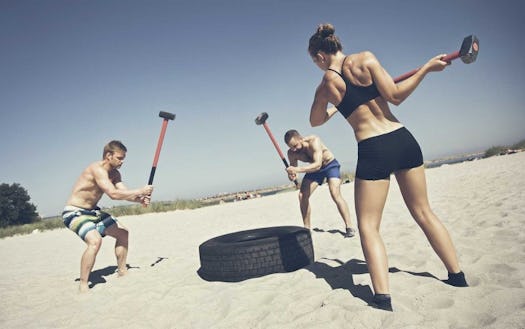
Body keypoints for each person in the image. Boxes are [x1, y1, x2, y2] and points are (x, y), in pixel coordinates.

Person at [307, 24, 468, 311]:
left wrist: (332, 105)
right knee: (423, 212)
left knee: (368, 226)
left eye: (314, 62)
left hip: (373, 148)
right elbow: (394, 96)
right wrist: (426, 69)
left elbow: (315, 122)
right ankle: (457, 277)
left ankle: (383, 299)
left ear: (320, 56)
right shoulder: (366, 58)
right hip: (402, 139)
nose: (316, 67)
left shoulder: (325, 86)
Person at [62, 140, 153, 292]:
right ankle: (83, 284)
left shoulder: (115, 173)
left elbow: (124, 193)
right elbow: (113, 194)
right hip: (74, 212)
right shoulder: (96, 169)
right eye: (119, 158)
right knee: (95, 241)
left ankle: (122, 271)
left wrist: (140, 200)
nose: (122, 162)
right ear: (108, 155)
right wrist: (140, 191)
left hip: (92, 211)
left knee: (123, 233)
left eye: (124, 158)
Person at [284, 129, 356, 238]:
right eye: (291, 147)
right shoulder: (292, 153)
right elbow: (294, 173)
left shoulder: (314, 141)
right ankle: (307, 229)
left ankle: (349, 226)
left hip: (329, 165)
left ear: (301, 139)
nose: (294, 149)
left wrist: (297, 169)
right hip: (314, 170)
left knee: (335, 193)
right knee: (302, 195)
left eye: (295, 145)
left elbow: (317, 164)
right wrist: (291, 175)